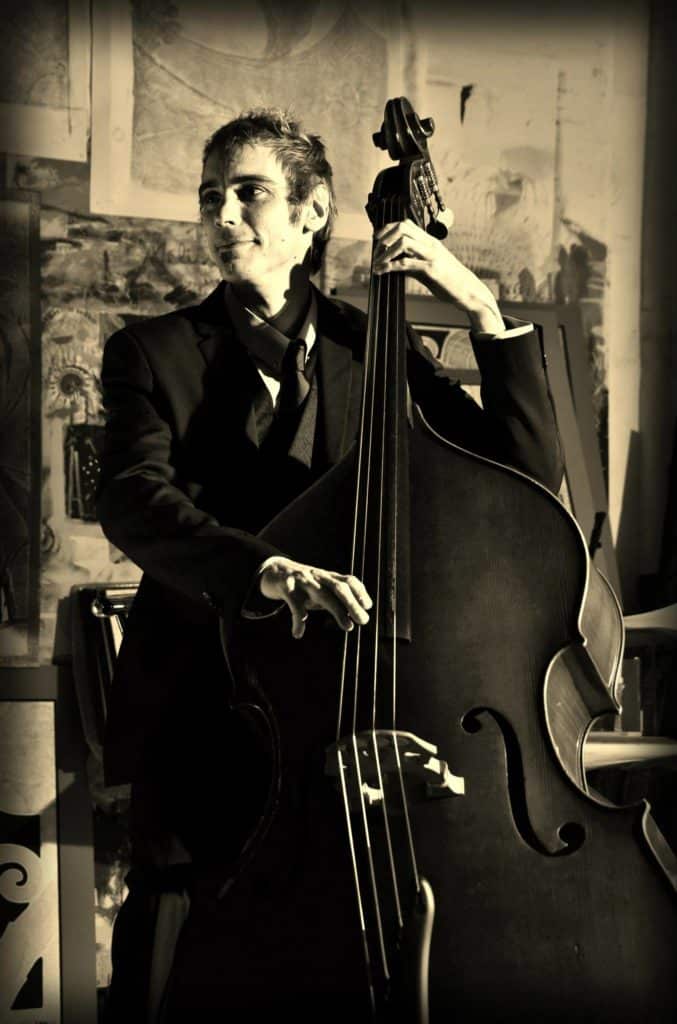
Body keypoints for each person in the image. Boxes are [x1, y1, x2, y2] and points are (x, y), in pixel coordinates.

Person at [97, 108, 562, 1021]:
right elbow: (133, 499)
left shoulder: (373, 346)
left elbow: (524, 480)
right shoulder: (149, 351)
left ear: (311, 213)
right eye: (210, 195)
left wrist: (481, 310)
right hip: (206, 707)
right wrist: (264, 571)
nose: (222, 214)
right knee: (174, 970)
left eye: (249, 193)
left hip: (351, 713)